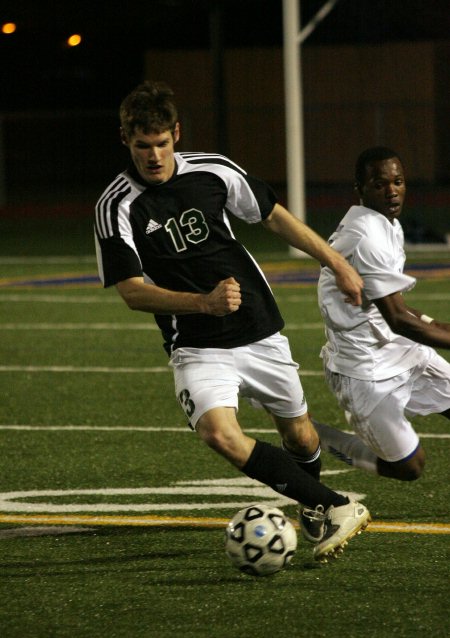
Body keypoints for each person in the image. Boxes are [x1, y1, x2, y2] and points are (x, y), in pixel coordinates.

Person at [94, 80, 370, 562]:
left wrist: (336, 262)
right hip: (196, 345)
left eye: (161, 143)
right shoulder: (115, 206)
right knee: (218, 434)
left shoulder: (214, 171)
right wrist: (203, 303)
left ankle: (311, 500)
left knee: (300, 436)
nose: (154, 156)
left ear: (176, 134)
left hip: (258, 329)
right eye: (142, 146)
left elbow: (272, 216)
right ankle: (334, 505)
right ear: (125, 140)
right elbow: (132, 292)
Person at [315, 146, 450, 482]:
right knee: (409, 467)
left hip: (396, 347)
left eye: (398, 181)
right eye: (379, 184)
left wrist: (435, 324)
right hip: (364, 367)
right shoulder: (367, 236)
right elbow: (398, 319)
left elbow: (398, 306)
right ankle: (311, 435)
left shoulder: (387, 224)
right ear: (360, 189)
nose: (391, 191)